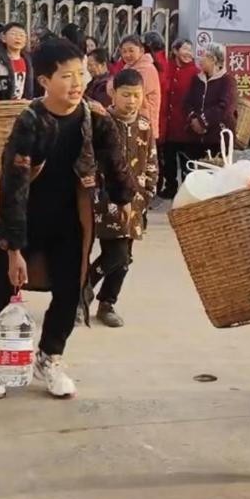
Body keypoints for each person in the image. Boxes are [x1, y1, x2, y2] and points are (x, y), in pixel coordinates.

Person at [0, 38, 136, 400]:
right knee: (0, 290)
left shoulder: (93, 116)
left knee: (69, 292)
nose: (76, 83)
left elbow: (114, 158)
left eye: (81, 74)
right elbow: (13, 187)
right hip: (21, 217)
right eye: (66, 76)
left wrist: (124, 198)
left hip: (68, 219)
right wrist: (14, 249)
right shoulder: (30, 121)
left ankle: (50, 357)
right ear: (44, 80)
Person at [87, 69, 157, 327]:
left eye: (136, 95)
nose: (131, 101)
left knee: (125, 259)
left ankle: (107, 304)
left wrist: (147, 194)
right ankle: (83, 290)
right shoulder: (101, 121)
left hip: (136, 200)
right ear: (112, 93)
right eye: (126, 95)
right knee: (116, 254)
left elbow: (151, 162)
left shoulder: (144, 125)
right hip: (106, 200)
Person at [184, 43, 236, 164]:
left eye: (204, 57)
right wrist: (193, 120)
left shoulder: (227, 81)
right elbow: (187, 102)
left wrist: (202, 121)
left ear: (214, 60)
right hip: (196, 138)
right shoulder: (197, 79)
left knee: (216, 173)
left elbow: (224, 107)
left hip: (218, 138)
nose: (200, 60)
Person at [161, 38, 199, 198]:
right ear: (175, 51)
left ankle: (187, 190)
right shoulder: (167, 68)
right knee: (168, 160)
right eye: (184, 49)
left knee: (187, 161)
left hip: (186, 125)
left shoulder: (196, 72)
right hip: (168, 124)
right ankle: (170, 187)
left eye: (190, 50)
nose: (188, 53)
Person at [143, 31, 170, 192]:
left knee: (150, 155)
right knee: (157, 154)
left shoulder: (149, 63)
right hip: (161, 112)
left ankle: (153, 188)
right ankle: (156, 187)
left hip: (151, 112)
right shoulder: (163, 61)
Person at [118, 35, 161, 139]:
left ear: (141, 51)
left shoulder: (147, 69)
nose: (127, 54)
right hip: (131, 121)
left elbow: (126, 90)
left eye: (131, 51)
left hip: (144, 123)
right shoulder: (128, 68)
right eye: (124, 51)